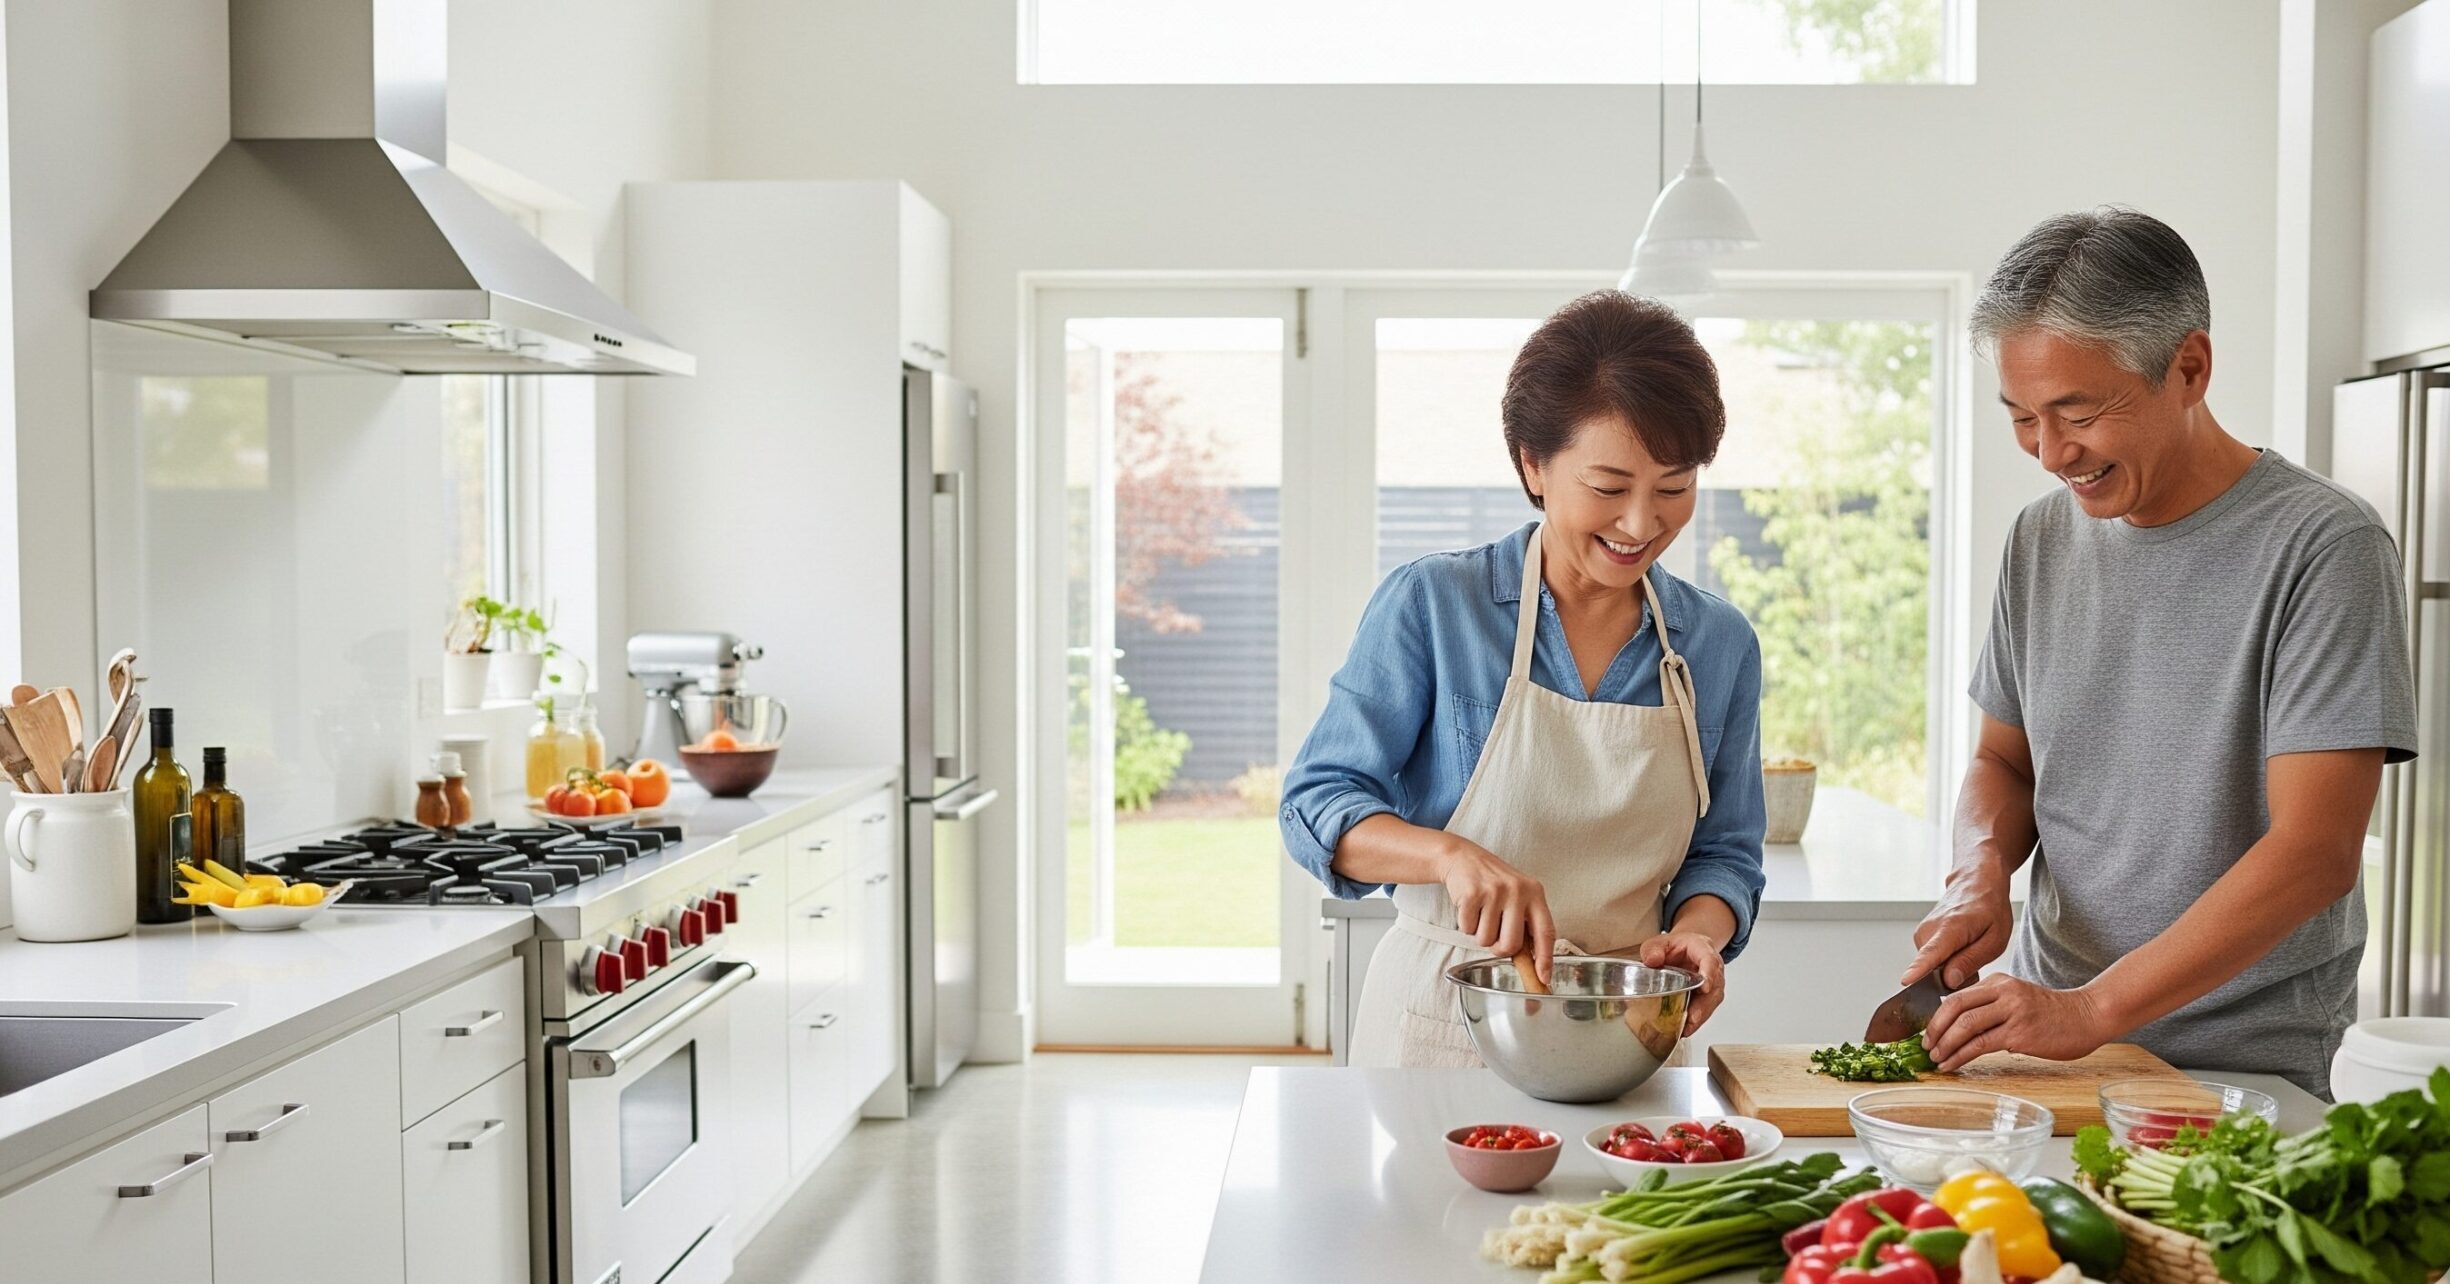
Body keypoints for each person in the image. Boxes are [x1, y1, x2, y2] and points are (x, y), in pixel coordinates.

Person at [1908, 207, 2417, 1096]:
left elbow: (2315, 851)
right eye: (2023, 417)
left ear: (2189, 368)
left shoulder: (2324, 546)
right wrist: (1978, 875)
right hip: (2046, 1055)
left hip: (2241, 1073)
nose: (2050, 453)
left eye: (2077, 413)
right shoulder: (2039, 539)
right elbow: (2003, 762)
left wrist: (2092, 1009)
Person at [1279, 290, 1767, 1068]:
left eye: (1674, 488)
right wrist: (1449, 858)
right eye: (1609, 488)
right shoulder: (1436, 605)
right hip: (1446, 1021)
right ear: (1533, 465)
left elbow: (1725, 852)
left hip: (1631, 1026)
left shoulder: (1718, 643)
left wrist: (1698, 937)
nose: (1641, 523)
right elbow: (1316, 804)